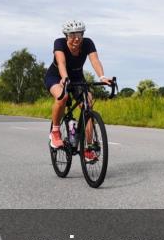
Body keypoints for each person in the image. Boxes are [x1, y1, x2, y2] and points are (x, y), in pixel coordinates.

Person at [44, 20, 113, 162]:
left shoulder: (87, 43)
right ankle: (55, 132)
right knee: (62, 97)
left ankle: (88, 147)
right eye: (72, 35)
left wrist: (102, 76)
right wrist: (64, 78)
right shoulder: (59, 43)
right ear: (66, 35)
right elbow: (61, 62)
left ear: (83, 34)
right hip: (56, 77)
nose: (76, 38)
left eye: (79, 35)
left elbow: (94, 60)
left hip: (77, 78)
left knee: (87, 104)